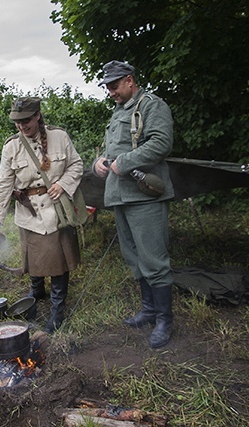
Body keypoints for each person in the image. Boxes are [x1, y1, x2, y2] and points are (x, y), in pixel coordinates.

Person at [0, 97, 83, 333]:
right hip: (29, 211)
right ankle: (37, 291)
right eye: (17, 122)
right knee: (33, 255)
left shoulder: (60, 137)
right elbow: (4, 184)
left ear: (37, 116)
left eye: (26, 121)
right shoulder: (11, 147)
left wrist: (64, 184)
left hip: (57, 209)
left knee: (58, 261)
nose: (21, 126)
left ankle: (58, 309)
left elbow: (76, 165)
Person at [92, 60, 176, 349]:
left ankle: (165, 319)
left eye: (114, 86)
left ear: (129, 80)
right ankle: (149, 310)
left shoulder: (152, 105)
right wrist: (99, 163)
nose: (111, 92)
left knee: (154, 258)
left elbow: (161, 143)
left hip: (144, 197)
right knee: (134, 258)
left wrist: (124, 162)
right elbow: (112, 150)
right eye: (108, 88)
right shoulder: (119, 112)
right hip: (120, 196)